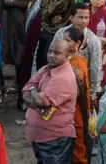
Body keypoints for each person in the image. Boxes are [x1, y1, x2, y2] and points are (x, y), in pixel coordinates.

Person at [22, 28, 79, 164]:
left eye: (57, 53)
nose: (51, 55)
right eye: (50, 51)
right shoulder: (45, 69)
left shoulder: (63, 77)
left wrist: (33, 91)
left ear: (67, 56)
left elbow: (42, 101)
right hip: (41, 137)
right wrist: (34, 94)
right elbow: (24, 90)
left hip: (55, 139)